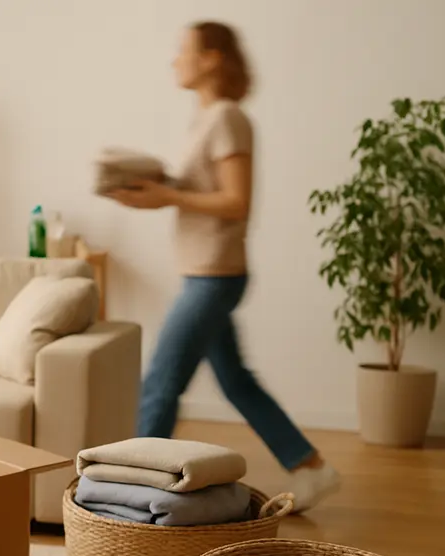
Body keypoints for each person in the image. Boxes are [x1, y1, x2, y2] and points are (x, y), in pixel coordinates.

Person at [110, 21, 340, 512]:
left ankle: (134, 496)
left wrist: (168, 195)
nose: (175, 60)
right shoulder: (206, 120)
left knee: (160, 384)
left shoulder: (228, 118)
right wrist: (153, 194)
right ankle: (312, 467)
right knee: (235, 381)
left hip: (214, 276)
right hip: (204, 272)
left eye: (183, 50)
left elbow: (237, 202)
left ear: (212, 58)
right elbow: (201, 195)